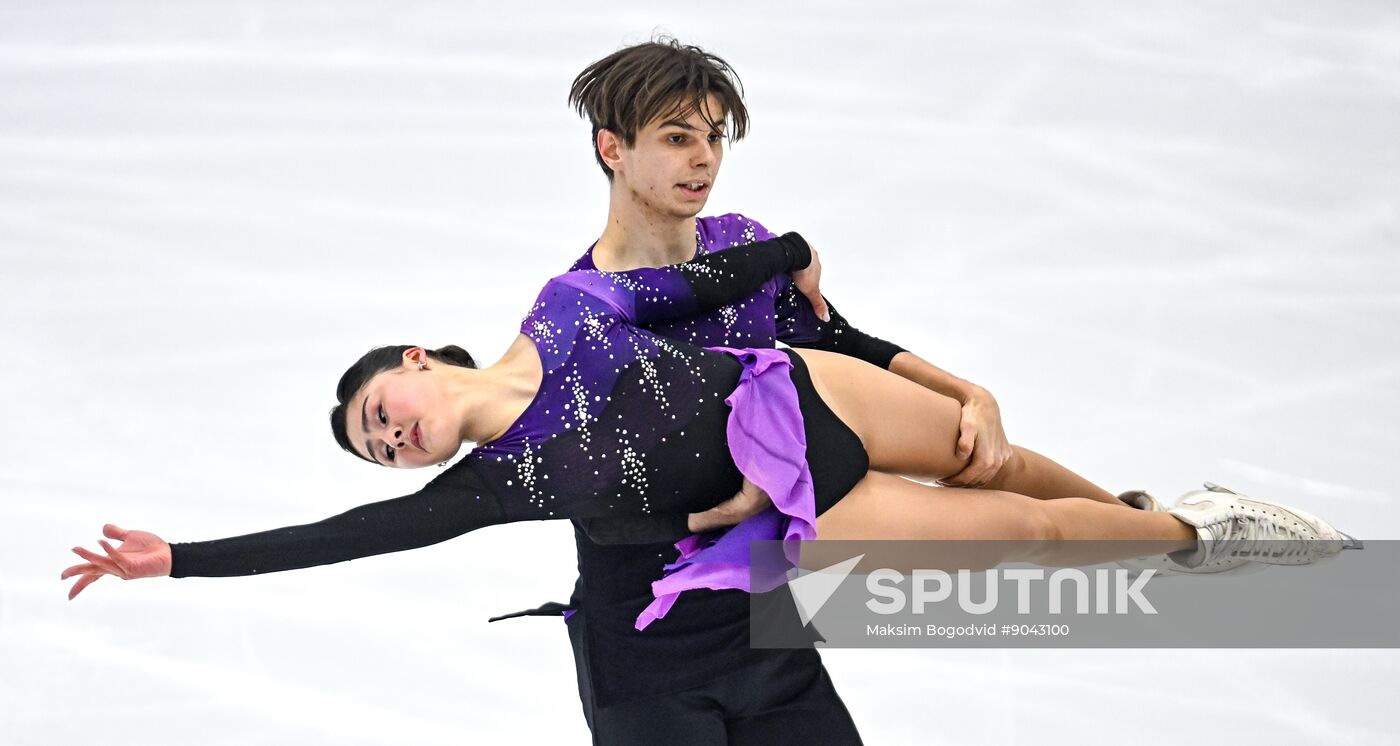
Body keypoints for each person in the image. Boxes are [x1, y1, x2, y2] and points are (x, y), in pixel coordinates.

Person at [64, 232, 1349, 653]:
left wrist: (790, 261)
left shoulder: (563, 307)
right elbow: (338, 540)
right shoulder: (492, 485)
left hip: (800, 395)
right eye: (376, 450)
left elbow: (677, 290)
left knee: (992, 458)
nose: (388, 442)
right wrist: (173, 557)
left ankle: (1158, 507)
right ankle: (1194, 533)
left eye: (375, 416)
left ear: (416, 360)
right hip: (795, 507)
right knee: (1029, 533)